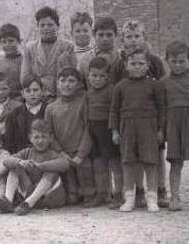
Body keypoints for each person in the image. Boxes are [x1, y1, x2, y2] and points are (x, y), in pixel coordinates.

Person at [111, 19, 167, 208]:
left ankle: (159, 191)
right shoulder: (119, 65)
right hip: (128, 123)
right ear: (123, 39)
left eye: (137, 36)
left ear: (144, 37)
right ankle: (136, 194)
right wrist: (115, 129)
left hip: (149, 122)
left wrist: (161, 128)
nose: (133, 40)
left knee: (154, 157)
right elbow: (116, 101)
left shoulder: (155, 62)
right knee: (130, 159)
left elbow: (161, 93)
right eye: (129, 37)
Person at [158, 41, 189, 211]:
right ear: (167, 60)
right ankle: (175, 198)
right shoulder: (163, 83)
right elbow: (161, 108)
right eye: (173, 61)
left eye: (182, 61)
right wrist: (161, 130)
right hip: (173, 127)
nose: (177, 65)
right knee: (175, 163)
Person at [0, 119, 70, 215]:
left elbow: (65, 164)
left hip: (49, 197)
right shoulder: (27, 152)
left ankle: (29, 203)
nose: (40, 141)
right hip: (28, 195)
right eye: (36, 137)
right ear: (30, 138)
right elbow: (6, 161)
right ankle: (8, 201)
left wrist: (42, 166)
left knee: (51, 172)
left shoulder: (53, 154)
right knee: (15, 167)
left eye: (44, 137)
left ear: (51, 138)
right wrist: (20, 162)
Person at [45, 67, 95, 206]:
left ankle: (88, 192)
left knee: (87, 182)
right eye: (63, 81)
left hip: (81, 153)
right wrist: (60, 152)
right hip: (62, 153)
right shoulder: (51, 107)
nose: (67, 84)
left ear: (79, 84)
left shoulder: (83, 102)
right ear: (57, 83)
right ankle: (72, 192)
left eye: (71, 81)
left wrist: (81, 154)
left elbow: (88, 128)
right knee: (71, 198)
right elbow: (49, 133)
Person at [85, 57, 122, 208]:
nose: (97, 79)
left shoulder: (112, 90)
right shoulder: (88, 92)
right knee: (98, 164)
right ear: (88, 75)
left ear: (107, 77)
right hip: (93, 132)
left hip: (107, 131)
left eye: (102, 76)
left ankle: (119, 194)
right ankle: (102, 193)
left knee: (115, 165)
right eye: (94, 75)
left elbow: (115, 112)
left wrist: (115, 131)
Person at [20, 6, 73, 96]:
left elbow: (70, 77)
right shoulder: (30, 48)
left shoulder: (67, 47)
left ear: (58, 26)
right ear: (37, 27)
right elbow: (24, 78)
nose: (46, 28)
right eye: (42, 25)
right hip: (36, 96)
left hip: (59, 96)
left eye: (50, 25)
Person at [3, 75, 47, 154]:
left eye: (35, 90)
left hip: (46, 155)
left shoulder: (49, 110)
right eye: (28, 91)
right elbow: (9, 143)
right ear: (22, 93)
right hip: (22, 156)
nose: (32, 94)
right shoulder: (13, 115)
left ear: (42, 91)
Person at [77, 16, 120, 82]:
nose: (105, 39)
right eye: (101, 35)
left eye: (109, 35)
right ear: (94, 34)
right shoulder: (85, 60)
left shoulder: (123, 58)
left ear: (116, 35)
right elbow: (80, 86)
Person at [0, 24, 23, 100]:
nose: (7, 45)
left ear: (19, 41)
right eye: (4, 42)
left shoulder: (25, 60)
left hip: (21, 100)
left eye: (11, 41)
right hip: (1, 100)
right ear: (0, 43)